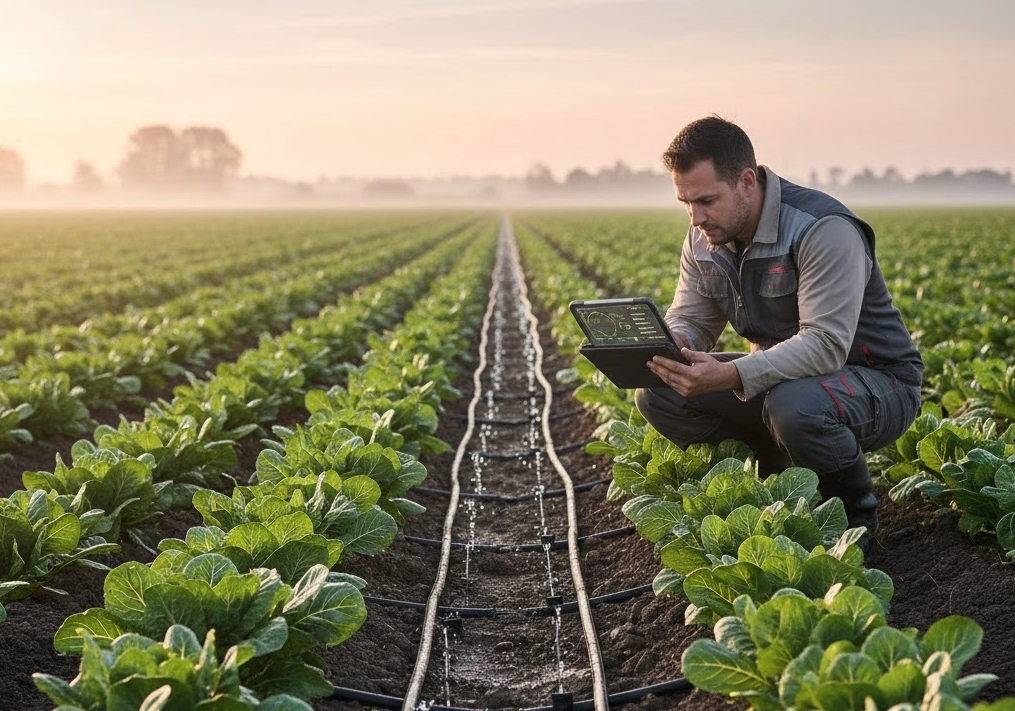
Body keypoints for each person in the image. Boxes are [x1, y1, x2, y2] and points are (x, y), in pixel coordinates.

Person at [636, 115, 923, 554]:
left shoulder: (821, 228)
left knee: (794, 406)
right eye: (686, 203)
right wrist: (672, 345)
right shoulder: (703, 237)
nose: (696, 218)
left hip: (877, 382)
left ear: (747, 182)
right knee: (659, 393)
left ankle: (854, 522)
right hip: (779, 384)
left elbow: (826, 345)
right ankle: (777, 480)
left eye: (707, 200)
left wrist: (732, 376)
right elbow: (692, 319)